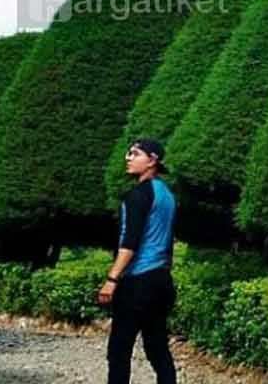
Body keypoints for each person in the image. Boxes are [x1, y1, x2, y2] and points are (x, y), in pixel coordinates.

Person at [98, 137, 178, 384]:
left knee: (119, 350)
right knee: (157, 349)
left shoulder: (137, 196)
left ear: (152, 160)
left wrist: (111, 280)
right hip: (161, 280)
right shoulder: (167, 195)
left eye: (135, 154)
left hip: (137, 281)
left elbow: (129, 242)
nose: (128, 158)